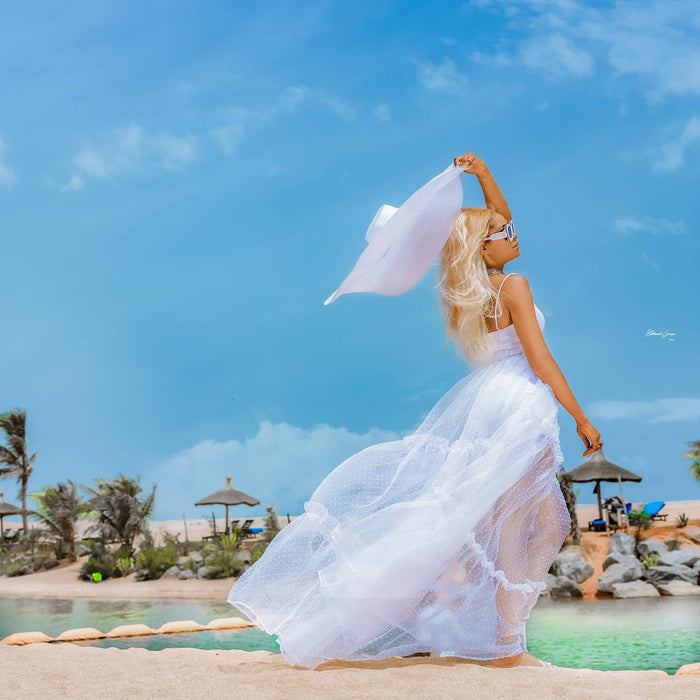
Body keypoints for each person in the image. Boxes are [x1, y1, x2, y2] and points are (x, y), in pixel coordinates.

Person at [227, 152, 603, 670]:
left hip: (486, 400)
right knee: (523, 525)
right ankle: (506, 646)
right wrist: (580, 416)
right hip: (518, 401)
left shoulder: (471, 289)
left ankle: (467, 629)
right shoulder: (514, 285)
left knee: (492, 519)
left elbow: (491, 222)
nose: (514, 233)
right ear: (485, 245)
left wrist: (484, 174)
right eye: (503, 231)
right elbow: (541, 360)